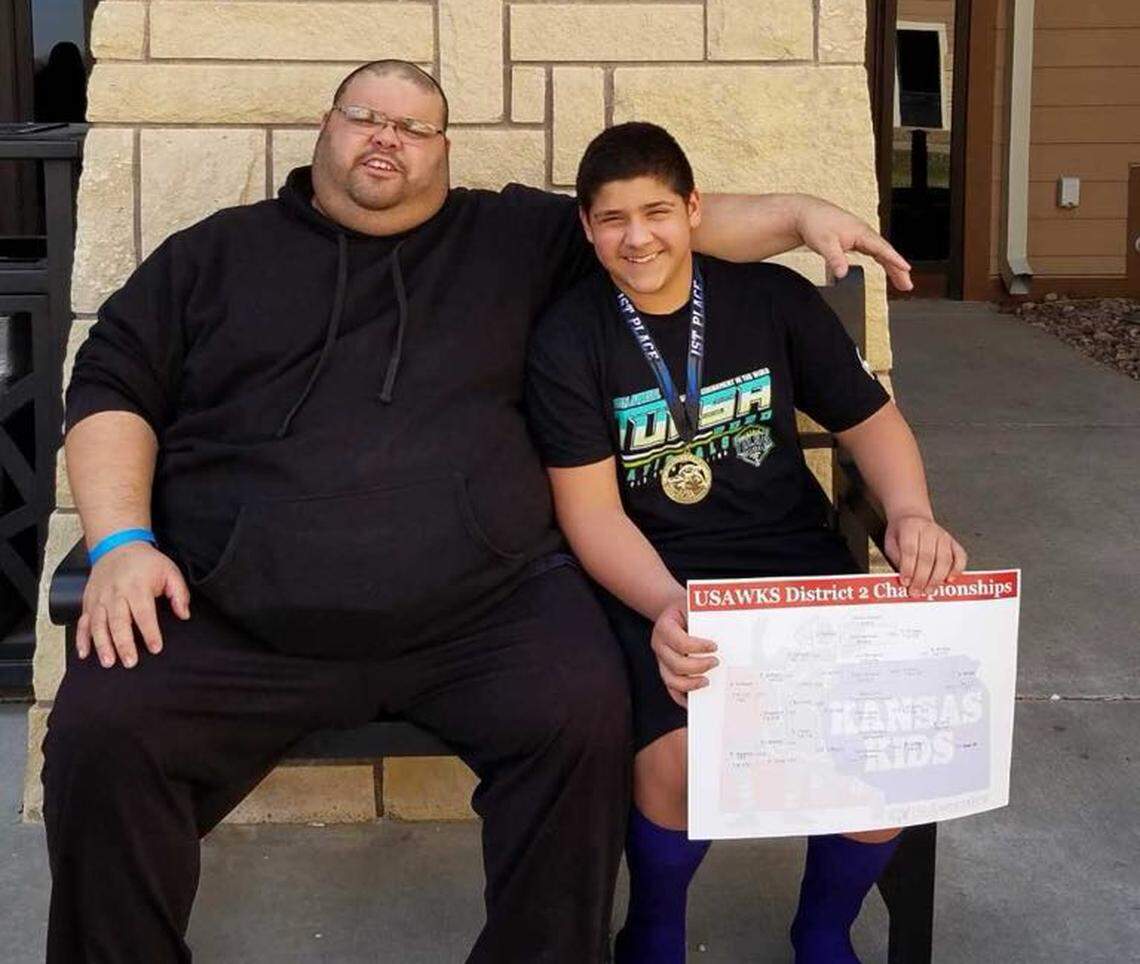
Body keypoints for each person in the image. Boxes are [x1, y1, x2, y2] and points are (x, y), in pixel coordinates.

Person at [46, 60, 914, 964]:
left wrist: (802, 215)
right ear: (326, 127)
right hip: (235, 614)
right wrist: (121, 543)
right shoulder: (212, 255)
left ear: (444, 152)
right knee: (104, 731)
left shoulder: (507, 237)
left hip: (479, 614)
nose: (387, 137)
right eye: (366, 116)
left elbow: (656, 225)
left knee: (579, 711)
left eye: (415, 127)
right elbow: (111, 382)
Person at [525, 122, 966, 963]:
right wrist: (664, 605)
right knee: (681, 761)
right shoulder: (567, 338)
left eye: (657, 211)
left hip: (795, 561)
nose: (637, 236)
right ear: (586, 229)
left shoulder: (769, 299)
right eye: (612, 219)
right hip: (657, 578)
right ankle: (654, 930)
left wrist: (909, 511)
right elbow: (592, 515)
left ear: (695, 209)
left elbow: (870, 421)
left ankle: (822, 928)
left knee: (879, 763)